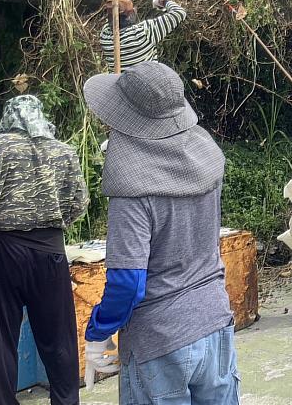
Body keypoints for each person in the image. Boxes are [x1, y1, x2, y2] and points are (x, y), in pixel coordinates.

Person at [83, 61, 239, 403]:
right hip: (215, 319)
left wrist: (98, 331)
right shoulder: (206, 153)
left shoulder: (131, 183)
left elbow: (128, 283)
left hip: (160, 337)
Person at [0, 95, 89, 405]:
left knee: (1, 340)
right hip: (50, 250)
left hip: (3, 250)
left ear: (7, 118)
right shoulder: (63, 151)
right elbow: (78, 204)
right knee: (60, 340)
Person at [100, 0, 187, 71]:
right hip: (148, 84)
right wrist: (162, 1)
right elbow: (179, 12)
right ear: (130, 15)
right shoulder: (144, 32)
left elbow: (115, 8)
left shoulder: (105, 35)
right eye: (134, 9)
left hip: (121, 85)